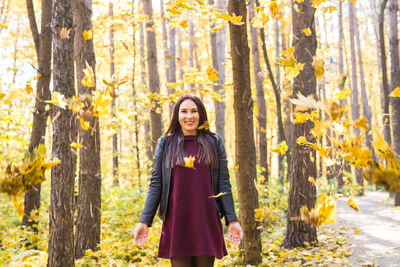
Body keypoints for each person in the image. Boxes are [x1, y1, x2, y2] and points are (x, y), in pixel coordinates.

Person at [133, 94, 243, 267]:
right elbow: (156, 184)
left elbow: (224, 184)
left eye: (194, 111)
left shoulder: (214, 142)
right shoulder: (165, 143)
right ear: (177, 115)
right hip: (177, 220)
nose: (189, 116)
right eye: (184, 111)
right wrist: (144, 221)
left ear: (201, 115)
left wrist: (232, 220)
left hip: (206, 220)